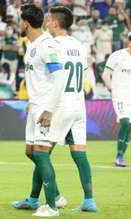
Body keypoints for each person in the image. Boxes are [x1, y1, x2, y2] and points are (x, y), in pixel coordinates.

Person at [11, 4, 66, 217]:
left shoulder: (46, 45)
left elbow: (59, 77)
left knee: (41, 155)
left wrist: (49, 109)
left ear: (25, 22)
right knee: (31, 152)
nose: (18, 24)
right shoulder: (32, 45)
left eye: (19, 20)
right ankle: (56, 195)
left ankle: (52, 206)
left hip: (46, 108)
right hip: (36, 105)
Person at [45, 6, 98, 212]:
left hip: (60, 105)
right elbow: (84, 73)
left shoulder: (52, 45)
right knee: (79, 154)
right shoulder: (79, 44)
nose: (47, 23)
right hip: (79, 105)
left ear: (56, 23)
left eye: (49, 20)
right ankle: (89, 200)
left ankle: (53, 197)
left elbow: (51, 77)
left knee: (40, 153)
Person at [102, 31, 131, 167]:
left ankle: (121, 157)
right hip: (119, 93)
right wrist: (111, 89)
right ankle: (119, 156)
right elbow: (105, 75)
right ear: (129, 42)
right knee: (124, 122)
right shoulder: (117, 56)